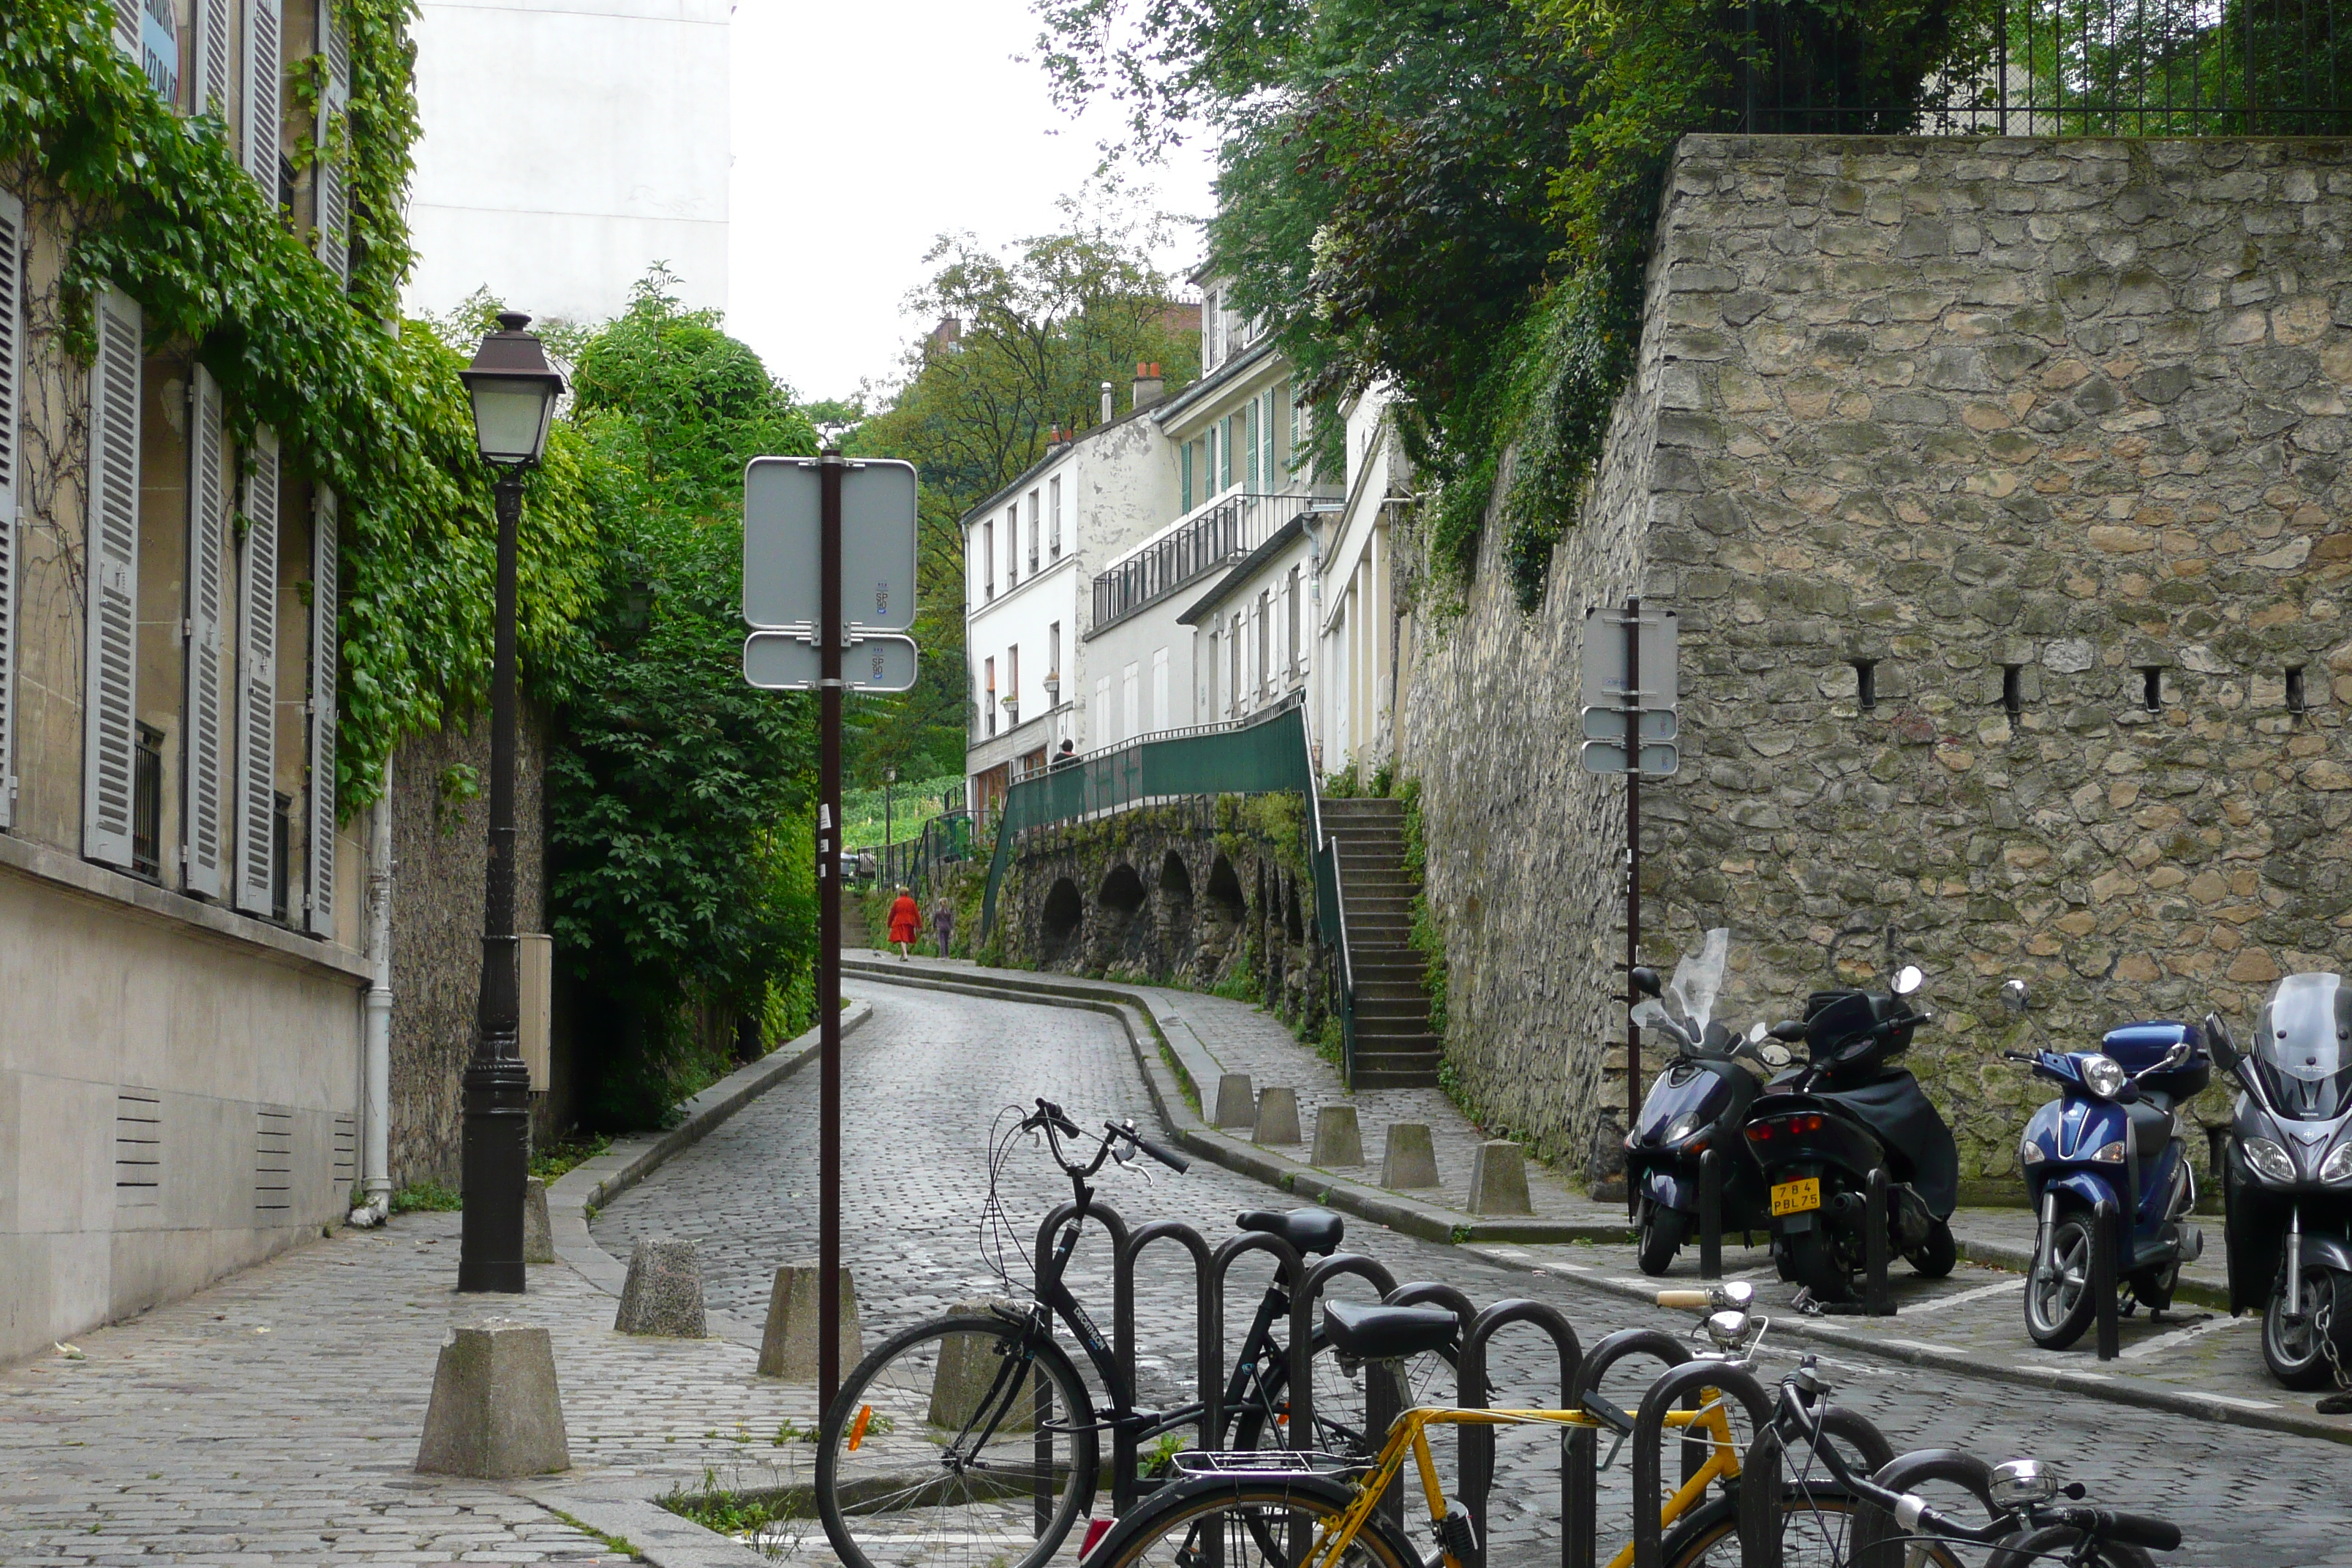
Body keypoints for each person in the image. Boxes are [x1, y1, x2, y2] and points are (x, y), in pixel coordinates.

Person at [886, 885, 922, 961]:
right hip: (910, 922)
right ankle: (903, 955)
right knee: (905, 938)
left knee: (903, 939)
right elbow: (916, 914)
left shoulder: (897, 902)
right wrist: (919, 925)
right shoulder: (911, 901)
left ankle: (905, 955)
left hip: (899, 922)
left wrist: (889, 923)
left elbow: (892, 913)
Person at [930, 893, 955, 960]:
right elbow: (951, 921)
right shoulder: (948, 912)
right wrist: (952, 929)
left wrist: (934, 926)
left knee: (942, 941)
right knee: (946, 941)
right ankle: (947, 955)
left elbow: (934, 920)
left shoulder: (938, 912)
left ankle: (943, 955)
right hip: (947, 927)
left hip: (941, 927)